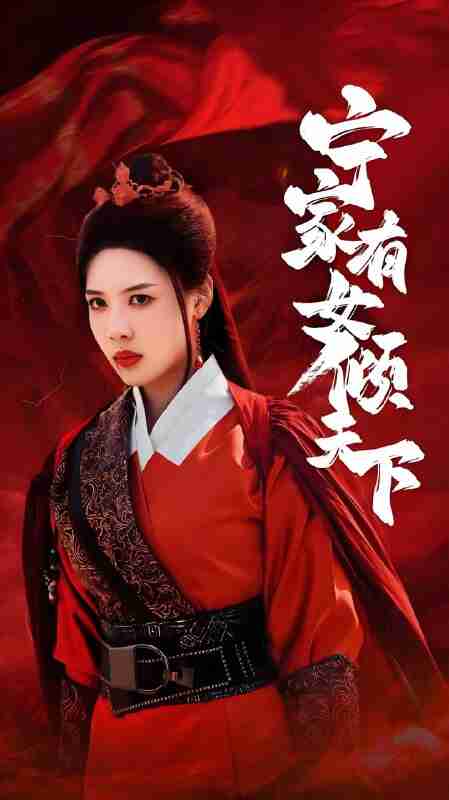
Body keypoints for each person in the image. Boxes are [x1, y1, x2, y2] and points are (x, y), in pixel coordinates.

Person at [22, 152, 449, 800]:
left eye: (140, 299)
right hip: (115, 768)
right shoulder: (74, 460)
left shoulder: (267, 444)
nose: (117, 327)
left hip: (247, 764)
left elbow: (319, 649)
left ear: (197, 297)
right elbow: (76, 664)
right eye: (98, 304)